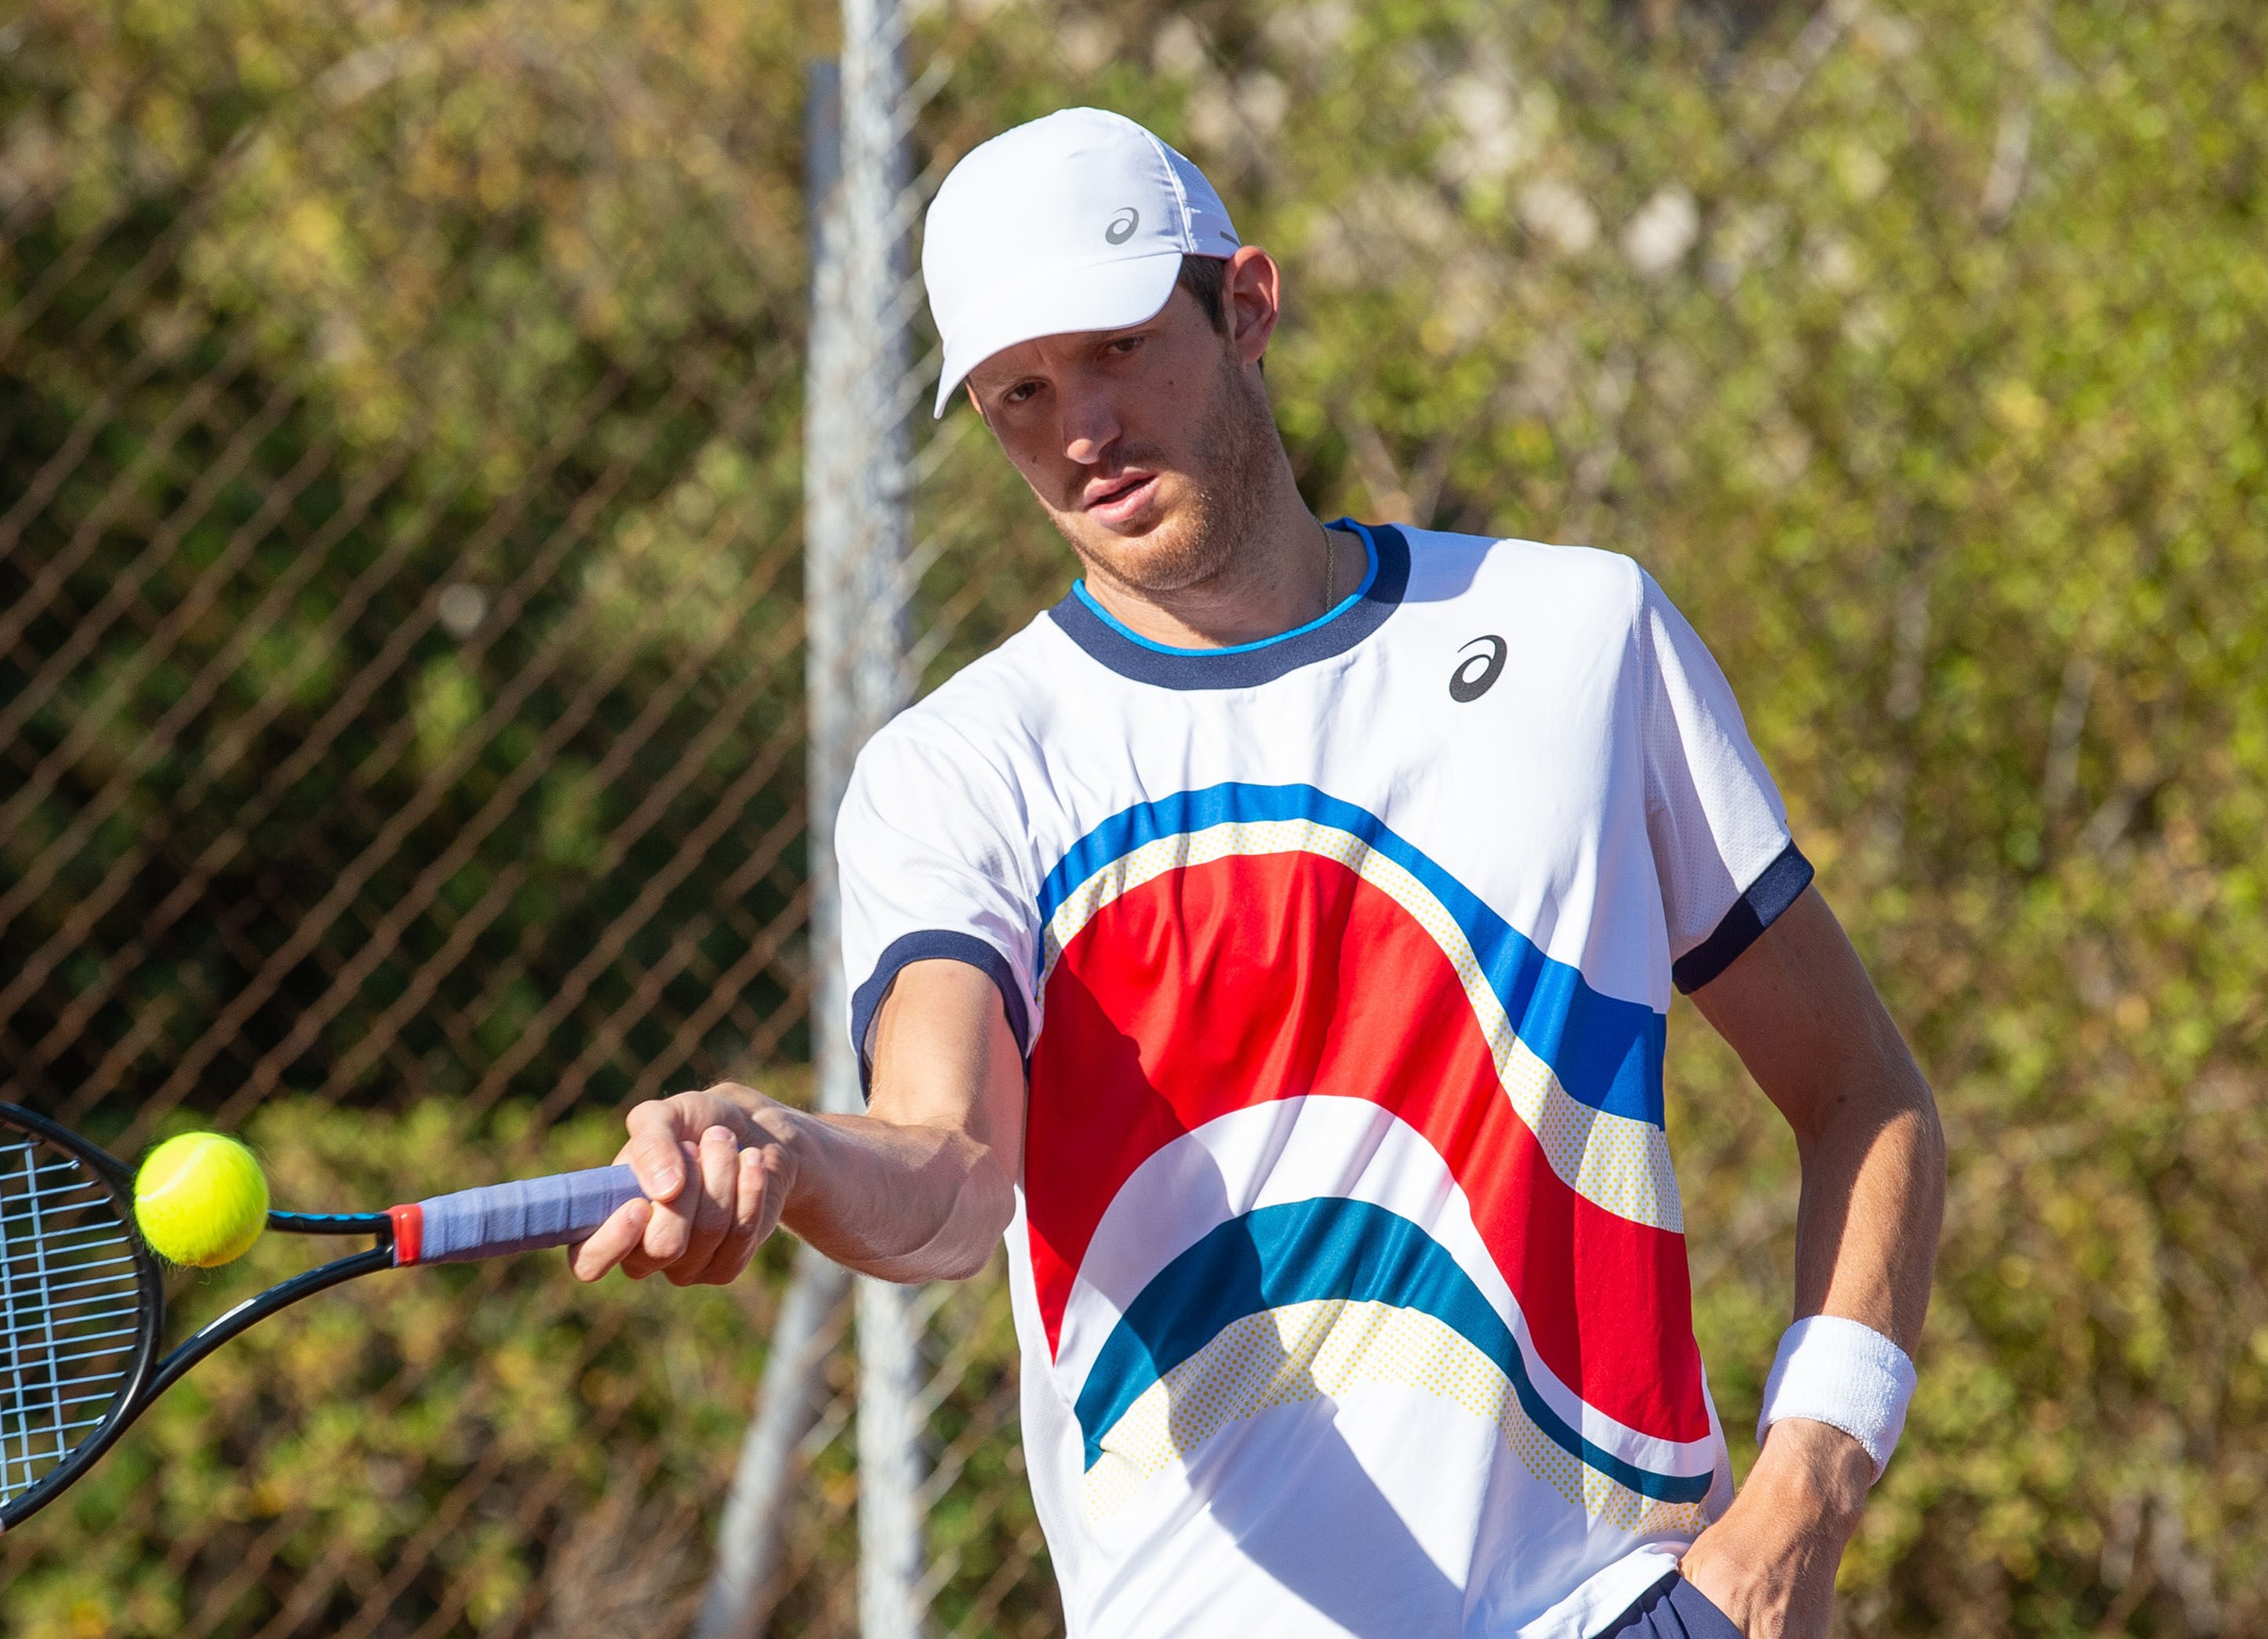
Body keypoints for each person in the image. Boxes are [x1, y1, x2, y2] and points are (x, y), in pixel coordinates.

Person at [572, 107, 1943, 1639]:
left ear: (1244, 309)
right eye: (1018, 392)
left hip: (1619, 1603)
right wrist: (786, 1151)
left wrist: (1796, 1507)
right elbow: (947, 1173)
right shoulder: (958, 768)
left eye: (1111, 351)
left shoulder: (1582, 640)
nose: (1077, 426)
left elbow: (1860, 1093)